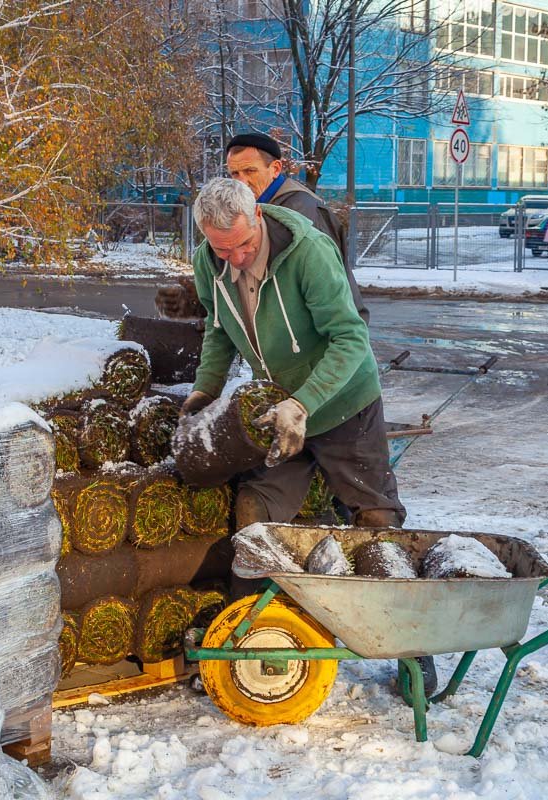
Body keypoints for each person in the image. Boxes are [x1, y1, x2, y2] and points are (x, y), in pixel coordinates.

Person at [182, 178, 429, 689]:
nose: (234, 260)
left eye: (242, 246)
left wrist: (304, 404)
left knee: (376, 523)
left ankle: (414, 653)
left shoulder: (308, 252)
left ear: (258, 217)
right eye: (221, 250)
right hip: (277, 406)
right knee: (255, 510)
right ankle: (247, 640)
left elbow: (351, 338)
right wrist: (205, 391)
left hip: (343, 403)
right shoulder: (211, 261)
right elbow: (218, 329)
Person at [157, 132, 367, 323]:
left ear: (275, 169)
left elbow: (314, 292)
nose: (241, 182)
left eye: (250, 171)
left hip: (324, 339)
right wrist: (201, 300)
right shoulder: (248, 209)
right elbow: (242, 277)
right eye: (235, 173)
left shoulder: (302, 211)